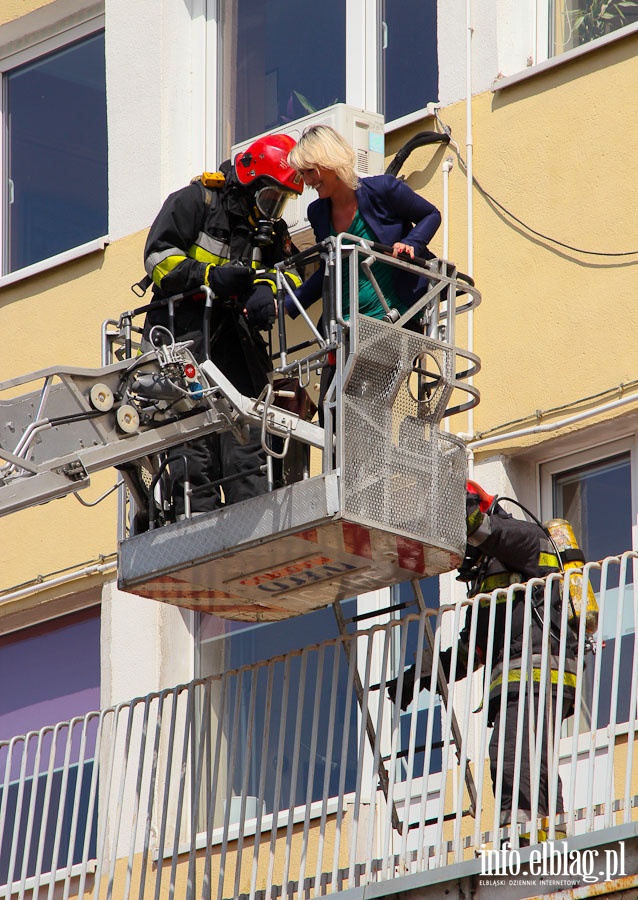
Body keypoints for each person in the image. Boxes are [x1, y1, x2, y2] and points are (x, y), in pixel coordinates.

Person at [388, 480, 579, 843]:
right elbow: (471, 650)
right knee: (530, 753)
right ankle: (546, 833)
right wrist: (420, 677)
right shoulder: (488, 577)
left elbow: (479, 527)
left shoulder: (524, 537)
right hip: (520, 676)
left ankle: (519, 839)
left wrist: (444, 495)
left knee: (511, 749)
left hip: (536, 669)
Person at [141, 134, 303, 518]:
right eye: (269, 198)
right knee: (191, 438)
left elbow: (290, 277)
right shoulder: (196, 202)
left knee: (246, 430)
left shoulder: (271, 231)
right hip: (180, 341)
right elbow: (157, 260)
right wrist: (209, 276)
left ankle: (252, 521)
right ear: (248, 180)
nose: (272, 210)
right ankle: (192, 521)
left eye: (281, 202)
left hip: (236, 345)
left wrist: (266, 293)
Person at [286, 123, 441, 322]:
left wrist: (411, 243)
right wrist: (287, 305)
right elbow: (328, 269)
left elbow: (431, 214)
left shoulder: (384, 189)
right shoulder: (317, 213)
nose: (306, 181)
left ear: (330, 161)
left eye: (310, 171)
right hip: (345, 326)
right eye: (302, 174)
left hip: (396, 317)